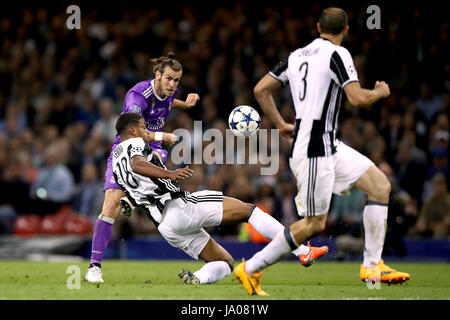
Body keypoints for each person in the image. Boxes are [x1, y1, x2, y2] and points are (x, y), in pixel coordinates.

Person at [234, 7, 410, 296]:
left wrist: (280, 123)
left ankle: (372, 265)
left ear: (318, 26)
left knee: (379, 186)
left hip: (326, 143)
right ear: (346, 30)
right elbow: (355, 96)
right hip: (316, 146)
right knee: (314, 224)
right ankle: (251, 268)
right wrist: (379, 93)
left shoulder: (297, 55)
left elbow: (261, 89)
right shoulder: (337, 54)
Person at [106, 113, 328, 286]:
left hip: (166, 227)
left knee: (225, 263)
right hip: (180, 208)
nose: (147, 131)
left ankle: (198, 279)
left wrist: (129, 205)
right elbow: (137, 164)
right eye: (143, 127)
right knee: (250, 210)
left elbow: (133, 191)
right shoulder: (133, 143)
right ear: (132, 130)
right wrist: (170, 174)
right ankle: (302, 252)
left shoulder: (115, 165)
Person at [85, 52, 201, 282]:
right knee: (110, 205)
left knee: (156, 156)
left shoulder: (170, 91)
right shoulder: (137, 95)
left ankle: (132, 197)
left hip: (153, 149)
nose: (172, 84)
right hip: (126, 149)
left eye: (176, 81)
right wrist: (162, 134)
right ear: (156, 75)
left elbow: (167, 101)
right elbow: (133, 130)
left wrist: (184, 104)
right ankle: (94, 268)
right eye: (168, 79)